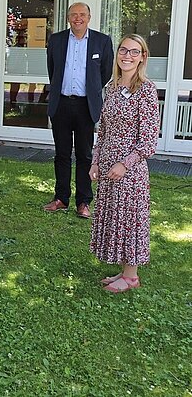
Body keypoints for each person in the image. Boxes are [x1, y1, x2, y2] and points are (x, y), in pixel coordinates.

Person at [89, 34, 159, 293]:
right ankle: (124, 269)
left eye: (134, 51)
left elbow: (149, 140)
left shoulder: (146, 90)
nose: (127, 56)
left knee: (128, 219)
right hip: (108, 165)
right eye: (123, 50)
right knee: (115, 218)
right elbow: (103, 130)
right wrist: (96, 161)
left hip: (130, 171)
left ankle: (132, 276)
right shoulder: (112, 88)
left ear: (142, 57)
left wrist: (124, 164)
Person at [44, 2, 114, 219]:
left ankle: (83, 202)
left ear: (89, 17)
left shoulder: (102, 41)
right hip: (61, 104)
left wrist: (91, 91)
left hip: (86, 105)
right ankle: (61, 198)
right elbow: (52, 70)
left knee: (85, 154)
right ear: (67, 18)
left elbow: (105, 73)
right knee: (62, 154)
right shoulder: (56, 40)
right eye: (73, 14)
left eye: (82, 14)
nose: (78, 18)